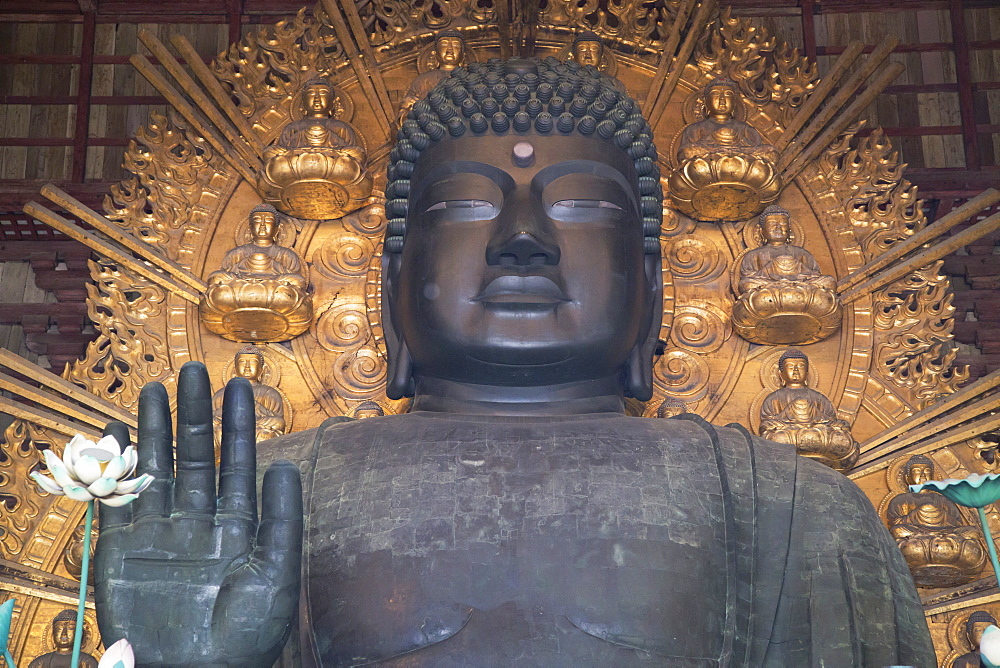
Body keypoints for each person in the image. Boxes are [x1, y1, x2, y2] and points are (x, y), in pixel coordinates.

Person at [95, 56, 934, 666]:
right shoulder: (258, 505)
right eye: (464, 205)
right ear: (392, 279)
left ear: (654, 283)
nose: (522, 239)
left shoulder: (797, 517)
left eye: (579, 204)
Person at [887, 454, 986, 587]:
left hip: (945, 536)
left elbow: (956, 524)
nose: (923, 475)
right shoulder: (901, 500)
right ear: (907, 477)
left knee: (971, 531)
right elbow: (896, 524)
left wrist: (938, 514)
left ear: (932, 476)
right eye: (917, 471)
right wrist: (919, 513)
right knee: (897, 532)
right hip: (917, 537)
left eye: (927, 471)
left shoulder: (943, 499)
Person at [759, 348, 858, 471]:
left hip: (818, 435)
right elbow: (766, 425)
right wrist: (788, 414)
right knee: (775, 437)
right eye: (790, 367)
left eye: (800, 367)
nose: (796, 370)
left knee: (841, 432)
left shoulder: (818, 398)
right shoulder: (773, 398)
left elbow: (831, 421)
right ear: (781, 374)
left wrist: (826, 422)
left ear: (807, 372)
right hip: (788, 436)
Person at [212, 345, 287, 443]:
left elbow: (279, 423)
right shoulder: (222, 394)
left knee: (272, 430)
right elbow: (213, 420)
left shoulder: (270, 393)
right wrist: (231, 408)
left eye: (252, 362)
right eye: (242, 362)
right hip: (228, 430)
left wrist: (253, 406)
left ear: (261, 369)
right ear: (235, 369)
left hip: (257, 431)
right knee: (215, 432)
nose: (247, 366)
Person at [27, 610, 98, 668]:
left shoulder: (86, 661)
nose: (64, 633)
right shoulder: (39, 663)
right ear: (53, 634)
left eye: (70, 628)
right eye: (59, 629)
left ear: (80, 634)